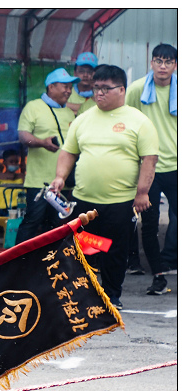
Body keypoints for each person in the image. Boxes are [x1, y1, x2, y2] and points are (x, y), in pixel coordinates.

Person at [50, 65, 159, 310]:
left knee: (115, 250)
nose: (99, 93)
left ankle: (111, 295)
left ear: (121, 90)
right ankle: (82, 292)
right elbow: (68, 152)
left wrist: (142, 192)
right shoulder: (83, 119)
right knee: (83, 247)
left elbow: (149, 159)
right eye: (96, 88)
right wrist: (59, 177)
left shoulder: (138, 121)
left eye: (105, 89)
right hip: (84, 199)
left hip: (120, 202)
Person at [126, 43, 177, 295]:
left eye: (168, 62)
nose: (163, 66)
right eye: (159, 61)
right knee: (149, 224)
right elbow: (126, 121)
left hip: (178, 166)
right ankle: (158, 276)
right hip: (148, 167)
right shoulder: (136, 89)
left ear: (175, 65)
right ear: (151, 63)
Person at [14, 67, 78, 244]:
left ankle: (50, 264)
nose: (68, 90)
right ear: (51, 87)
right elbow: (22, 136)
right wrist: (42, 142)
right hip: (39, 182)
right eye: (64, 86)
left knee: (56, 225)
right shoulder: (33, 107)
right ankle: (17, 263)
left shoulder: (68, 112)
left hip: (62, 182)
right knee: (32, 221)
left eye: (70, 87)